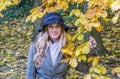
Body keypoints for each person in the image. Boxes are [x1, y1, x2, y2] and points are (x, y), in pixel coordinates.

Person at [26, 12, 97, 79]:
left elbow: (85, 68)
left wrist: (91, 50)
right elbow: (30, 75)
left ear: (62, 28)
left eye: (57, 26)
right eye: (50, 26)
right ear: (46, 29)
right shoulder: (36, 47)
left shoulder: (69, 47)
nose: (54, 30)